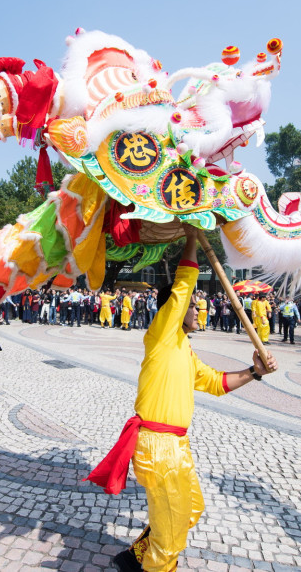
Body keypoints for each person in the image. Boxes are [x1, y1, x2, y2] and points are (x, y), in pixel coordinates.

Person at [85, 228, 277, 571]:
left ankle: (134, 558)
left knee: (189, 510)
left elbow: (216, 382)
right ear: (175, 310)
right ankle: (153, 564)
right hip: (157, 447)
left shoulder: (184, 351)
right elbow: (182, 288)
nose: (198, 308)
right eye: (192, 305)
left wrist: (255, 371)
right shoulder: (161, 335)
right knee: (171, 536)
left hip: (177, 448)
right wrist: (192, 236)